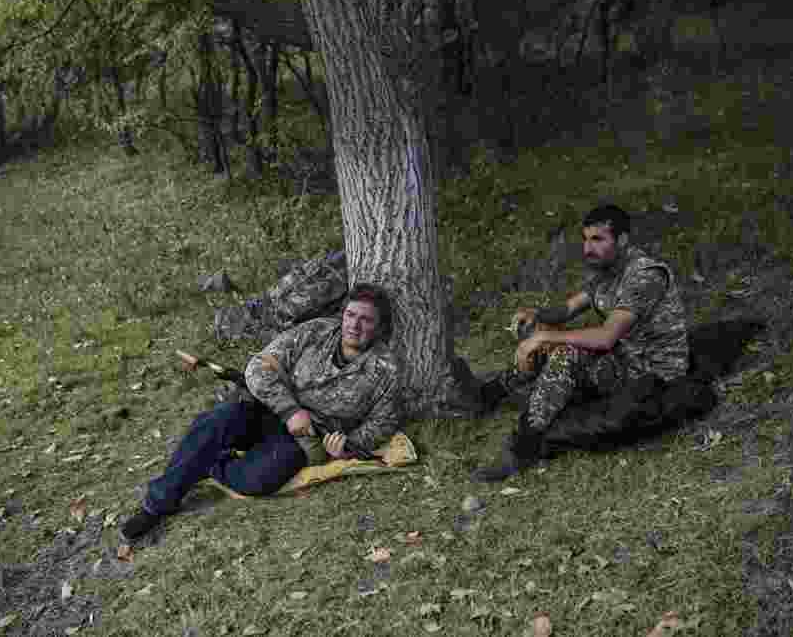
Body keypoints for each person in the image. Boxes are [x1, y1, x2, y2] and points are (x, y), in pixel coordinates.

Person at [121, 283, 403, 542]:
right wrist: (290, 409)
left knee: (254, 479)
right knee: (218, 422)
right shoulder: (315, 332)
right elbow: (258, 367)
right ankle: (155, 506)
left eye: (365, 319)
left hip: (304, 440)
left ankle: (208, 461)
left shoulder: (386, 370)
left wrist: (348, 446)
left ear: (378, 327)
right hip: (267, 409)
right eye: (351, 315)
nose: (355, 325)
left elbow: (383, 423)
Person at [471, 204, 690, 482]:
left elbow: (606, 336)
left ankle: (524, 446)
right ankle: (492, 393)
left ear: (622, 240)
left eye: (598, 239)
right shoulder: (608, 270)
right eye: (586, 239)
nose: (588, 248)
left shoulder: (644, 276)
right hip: (623, 356)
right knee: (547, 337)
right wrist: (536, 316)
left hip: (651, 372)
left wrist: (545, 337)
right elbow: (568, 309)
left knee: (565, 352)